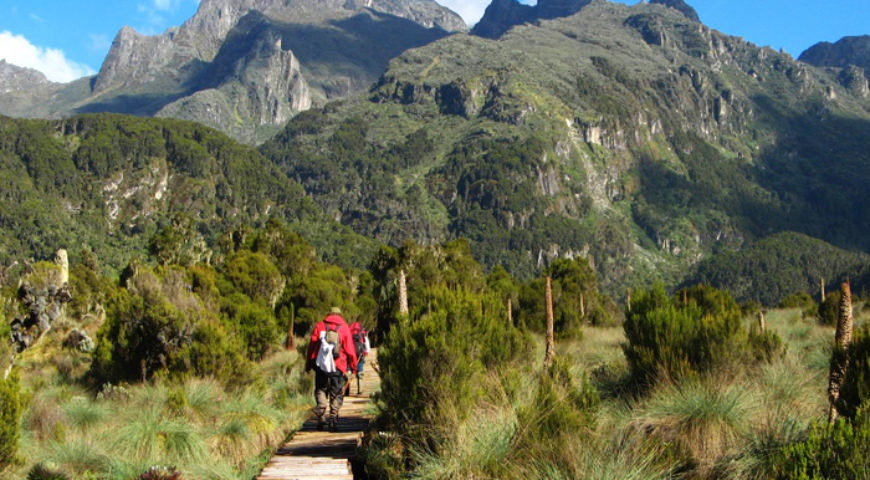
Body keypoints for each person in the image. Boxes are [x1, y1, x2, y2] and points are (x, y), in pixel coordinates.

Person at [305, 306, 357, 431]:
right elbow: (350, 350)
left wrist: (309, 363)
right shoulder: (344, 328)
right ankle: (333, 418)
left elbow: (312, 345)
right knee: (336, 392)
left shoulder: (320, 326)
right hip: (338, 366)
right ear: (340, 315)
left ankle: (321, 413)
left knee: (321, 389)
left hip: (321, 365)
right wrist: (354, 368)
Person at [349, 321, 371, 394]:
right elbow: (367, 346)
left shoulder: (349, 332)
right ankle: (360, 390)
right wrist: (365, 353)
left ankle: (346, 391)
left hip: (350, 355)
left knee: (348, 372)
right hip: (360, 355)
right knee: (360, 372)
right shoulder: (362, 334)